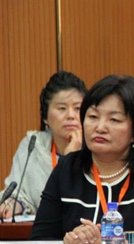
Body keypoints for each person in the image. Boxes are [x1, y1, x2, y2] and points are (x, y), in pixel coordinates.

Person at [30, 75, 134, 244]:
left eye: (114, 120)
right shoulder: (66, 169)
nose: (100, 127)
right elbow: (39, 242)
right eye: (93, 117)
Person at [0, 71, 87, 219]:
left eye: (78, 108)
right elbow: (20, 194)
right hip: (43, 230)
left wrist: (70, 158)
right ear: (45, 116)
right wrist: (14, 204)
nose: (71, 115)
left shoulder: (97, 148)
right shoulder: (33, 146)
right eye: (62, 108)